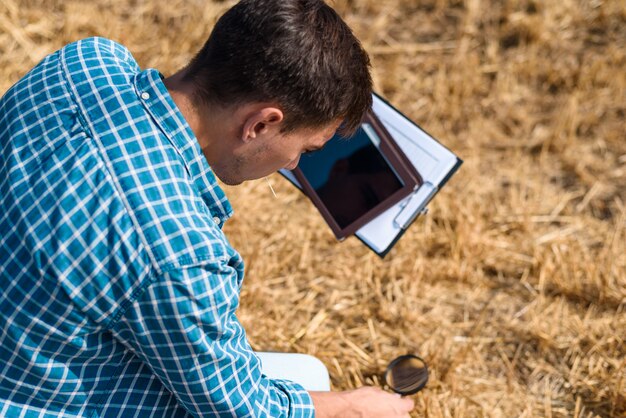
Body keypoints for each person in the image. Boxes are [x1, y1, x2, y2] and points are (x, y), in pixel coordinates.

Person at [0, 0, 415, 417]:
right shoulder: (180, 253)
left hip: (21, 346)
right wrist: (353, 408)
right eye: (305, 150)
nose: (293, 166)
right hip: (37, 402)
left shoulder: (83, 61)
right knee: (309, 377)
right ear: (259, 124)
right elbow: (244, 410)